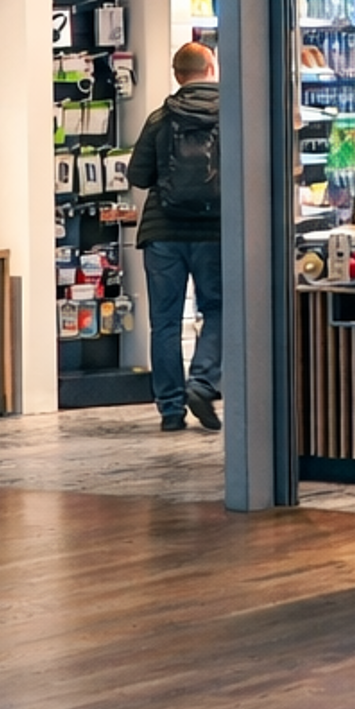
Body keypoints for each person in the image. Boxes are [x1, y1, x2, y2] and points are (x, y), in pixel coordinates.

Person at [125, 43, 224, 433]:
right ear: (211, 67)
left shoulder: (160, 118)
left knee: (164, 322)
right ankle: (202, 381)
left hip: (163, 232)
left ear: (177, 74)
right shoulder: (230, 114)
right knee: (218, 310)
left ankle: (170, 409)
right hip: (215, 231)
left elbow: (138, 176)